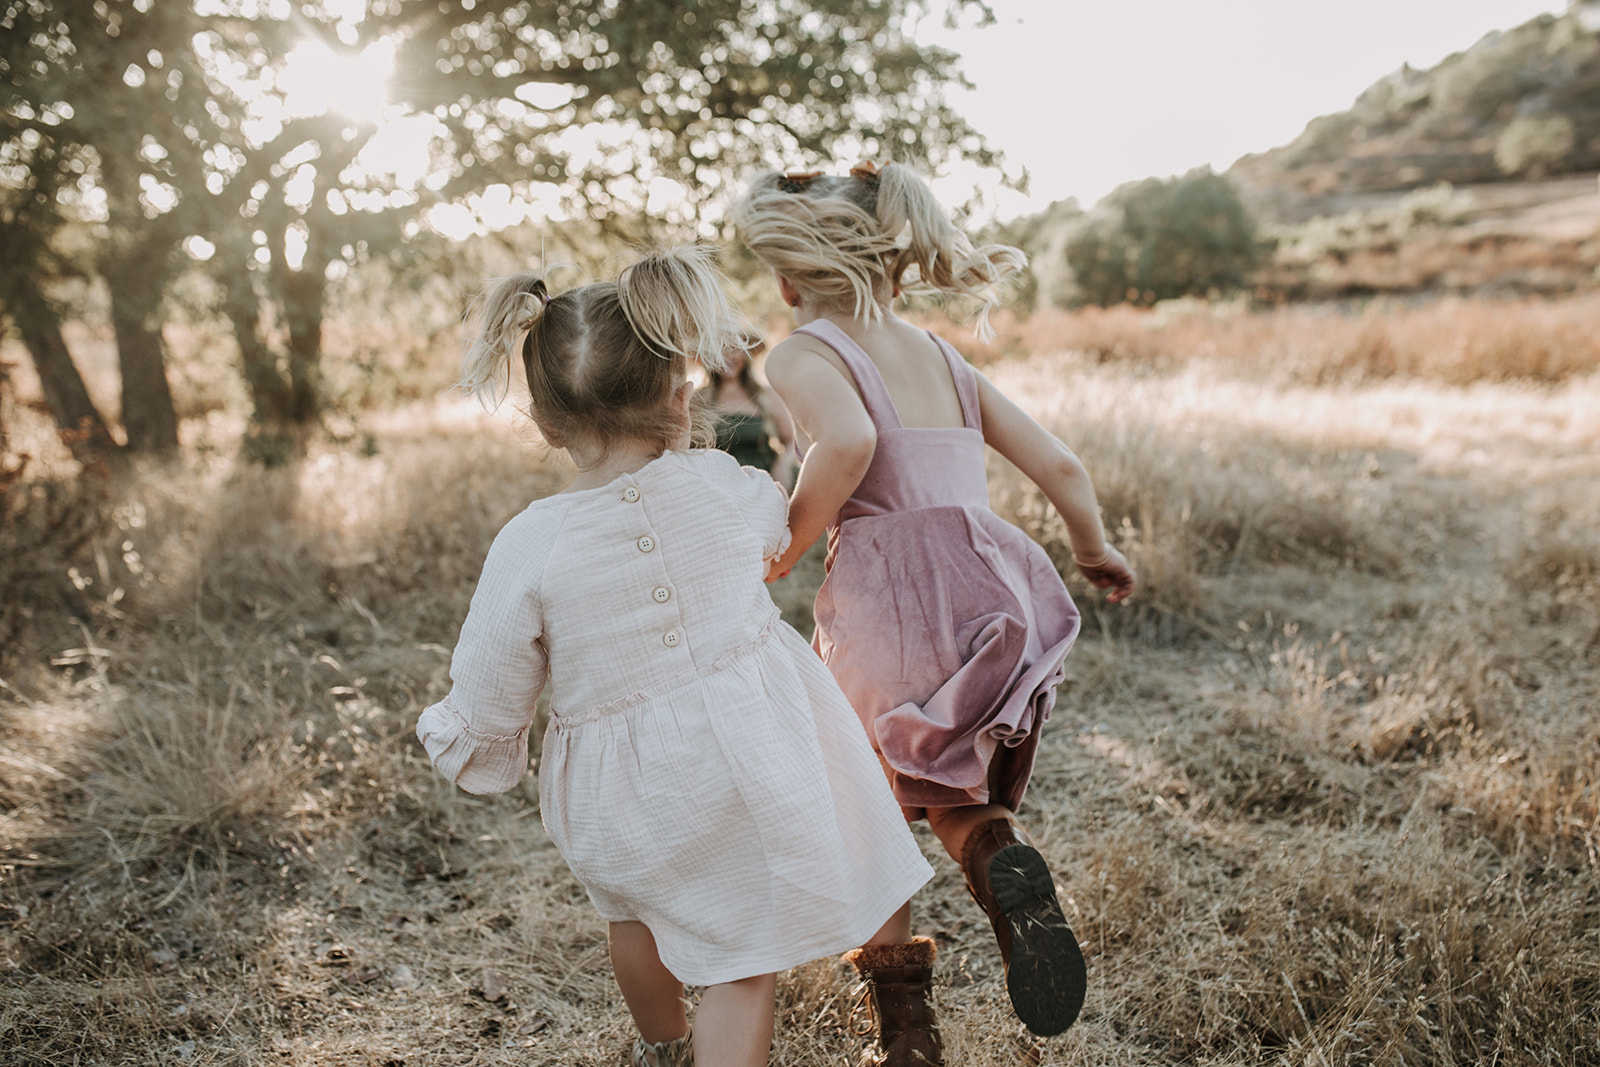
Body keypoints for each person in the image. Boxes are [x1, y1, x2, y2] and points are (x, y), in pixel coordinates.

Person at [416, 246, 934, 1067]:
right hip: (748, 756)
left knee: (633, 915)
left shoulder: (530, 543)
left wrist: (480, 740)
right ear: (678, 390)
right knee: (742, 960)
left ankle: (662, 1048)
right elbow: (772, 536)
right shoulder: (724, 486)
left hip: (614, 793)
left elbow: (490, 684)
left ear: (547, 422)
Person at [733, 163, 1136, 1063]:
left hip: (888, 600)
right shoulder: (944, 356)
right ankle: (996, 858)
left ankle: (907, 1034)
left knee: (874, 808)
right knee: (952, 783)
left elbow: (850, 442)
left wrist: (789, 545)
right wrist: (1093, 547)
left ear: (791, 272)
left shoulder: (802, 351)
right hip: (988, 591)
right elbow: (1062, 464)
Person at [702, 343, 796, 487]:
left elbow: (791, 441)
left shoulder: (767, 395)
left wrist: (783, 465)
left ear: (745, 354)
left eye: (733, 349)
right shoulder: (697, 400)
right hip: (719, 485)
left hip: (765, 480)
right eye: (718, 349)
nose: (726, 356)